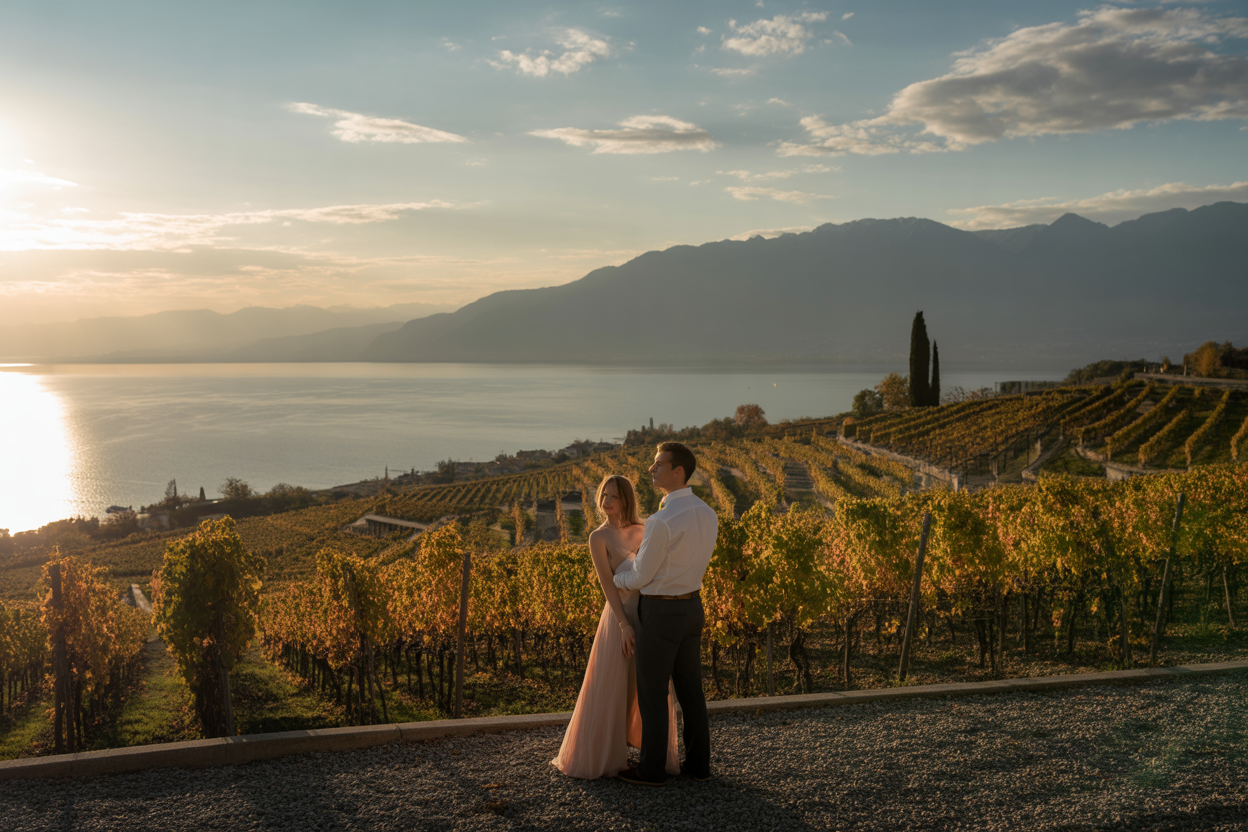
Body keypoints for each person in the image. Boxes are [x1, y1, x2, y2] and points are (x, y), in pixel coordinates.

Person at [551, 475, 678, 779]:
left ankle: (650, 756)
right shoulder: (598, 537)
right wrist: (623, 625)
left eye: (613, 497)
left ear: (627, 500)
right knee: (610, 685)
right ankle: (606, 755)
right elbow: (607, 584)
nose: (606, 502)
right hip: (619, 618)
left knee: (647, 688)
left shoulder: (646, 529)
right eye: (604, 496)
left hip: (648, 615)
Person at [614, 441, 718, 786]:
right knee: (691, 692)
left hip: (660, 613)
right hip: (693, 609)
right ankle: (699, 767)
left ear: (678, 472)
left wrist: (617, 575)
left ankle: (651, 770)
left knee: (653, 692)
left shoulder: (662, 521)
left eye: (658, 464)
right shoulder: (708, 513)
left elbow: (641, 577)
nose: (650, 469)